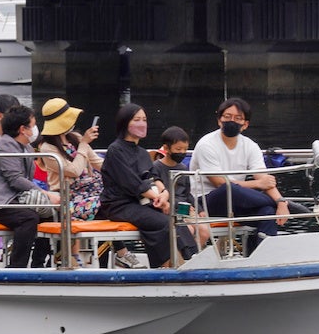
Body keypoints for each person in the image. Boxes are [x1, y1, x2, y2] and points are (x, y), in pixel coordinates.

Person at [100, 103, 197, 269]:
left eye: (144, 119)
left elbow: (152, 176)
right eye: (136, 119)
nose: (142, 123)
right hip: (119, 204)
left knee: (176, 219)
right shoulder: (115, 150)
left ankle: (190, 257)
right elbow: (130, 182)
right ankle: (168, 265)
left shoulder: (143, 153)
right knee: (163, 222)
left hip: (142, 202)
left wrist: (164, 194)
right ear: (125, 123)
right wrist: (155, 197)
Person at [0, 103, 57, 269]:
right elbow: (15, 179)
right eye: (33, 125)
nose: (35, 129)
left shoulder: (26, 148)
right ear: (23, 129)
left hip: (6, 201)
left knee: (49, 213)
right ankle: (17, 268)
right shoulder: (5, 146)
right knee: (29, 218)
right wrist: (46, 194)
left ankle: (39, 263)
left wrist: (45, 199)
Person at [192, 97, 292, 244]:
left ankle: (260, 258)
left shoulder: (250, 146)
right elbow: (219, 183)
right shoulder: (206, 144)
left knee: (267, 213)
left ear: (245, 125)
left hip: (236, 201)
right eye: (227, 117)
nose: (232, 121)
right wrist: (258, 185)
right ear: (219, 120)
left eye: (238, 118)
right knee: (230, 188)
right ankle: (290, 207)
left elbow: (265, 180)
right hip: (206, 202)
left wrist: (281, 202)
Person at [35, 98, 102, 221]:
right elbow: (73, 171)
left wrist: (122, 169)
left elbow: (98, 162)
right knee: (105, 201)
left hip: (94, 189)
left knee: (119, 196)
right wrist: (84, 144)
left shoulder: (75, 137)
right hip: (70, 197)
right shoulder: (47, 148)